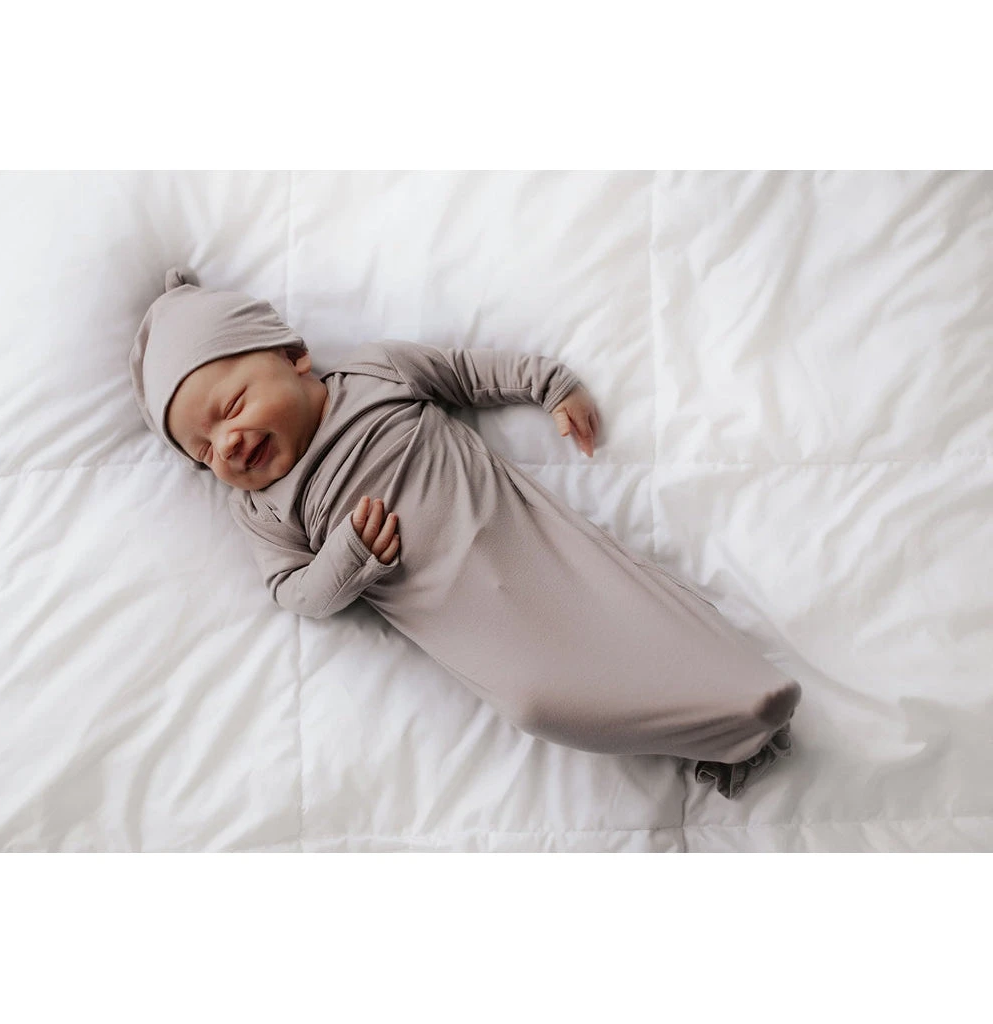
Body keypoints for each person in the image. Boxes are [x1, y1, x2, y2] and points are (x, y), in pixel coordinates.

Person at [130, 268, 801, 798]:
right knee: (539, 704)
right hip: (464, 618)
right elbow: (293, 592)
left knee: (625, 602)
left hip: (525, 541)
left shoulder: (375, 372)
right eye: (203, 452)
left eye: (232, 407)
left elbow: (469, 374)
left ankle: (742, 690)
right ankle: (719, 731)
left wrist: (548, 385)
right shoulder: (262, 510)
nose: (227, 444)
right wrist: (346, 559)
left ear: (295, 356)